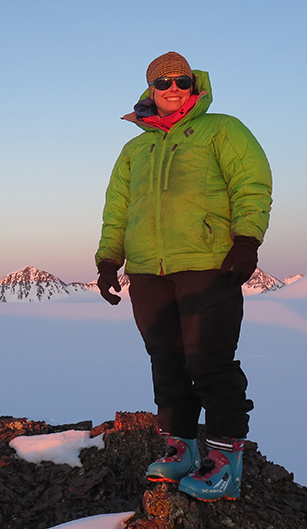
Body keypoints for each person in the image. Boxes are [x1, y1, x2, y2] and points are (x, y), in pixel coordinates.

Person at [94, 52, 272, 502]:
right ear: (150, 90)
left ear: (194, 85)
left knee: (208, 359)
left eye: (182, 80)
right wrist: (108, 260)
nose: (173, 87)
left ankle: (225, 458)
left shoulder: (222, 129)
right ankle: (181, 446)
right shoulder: (135, 148)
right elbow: (118, 209)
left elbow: (251, 182)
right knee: (165, 358)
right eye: (163, 82)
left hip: (207, 263)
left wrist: (247, 239)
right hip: (148, 269)